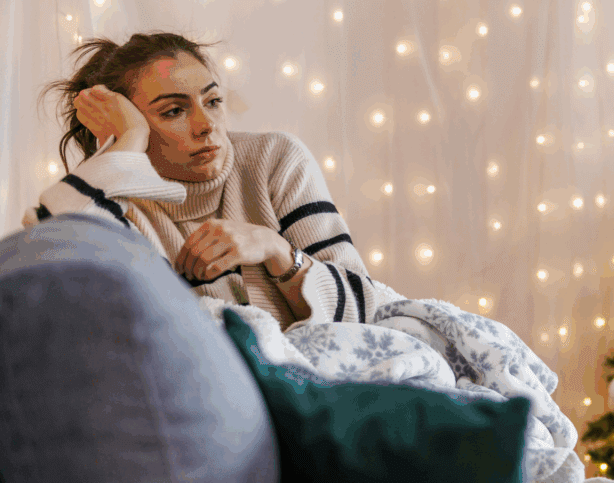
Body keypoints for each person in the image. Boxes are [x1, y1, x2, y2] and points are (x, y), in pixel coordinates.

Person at [27, 31, 377, 330]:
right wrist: (128, 142)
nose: (206, 124)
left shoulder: (275, 159)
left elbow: (363, 312)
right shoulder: (113, 201)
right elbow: (52, 263)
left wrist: (275, 249)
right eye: (173, 111)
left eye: (213, 100)